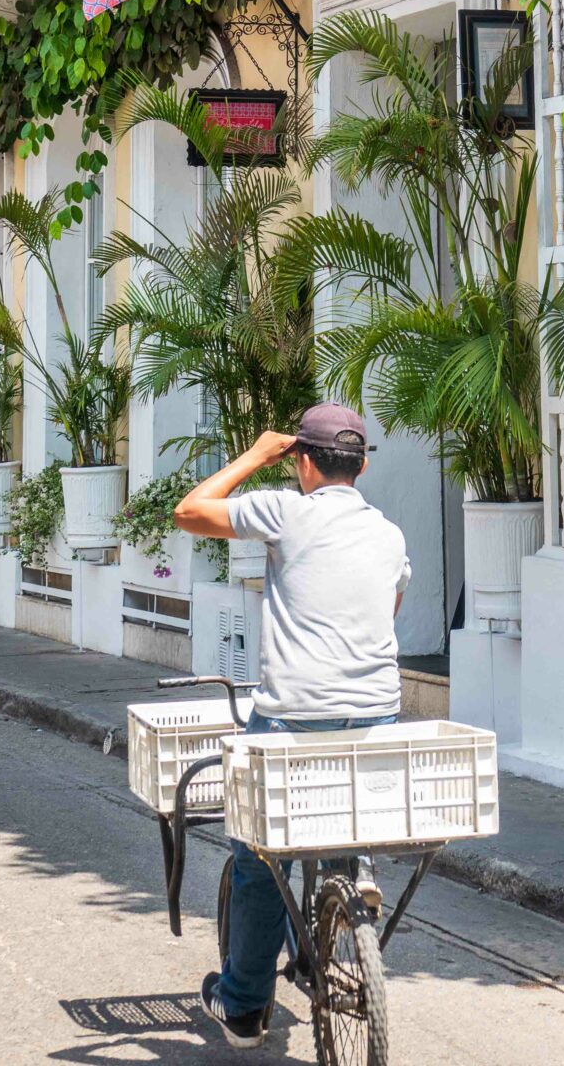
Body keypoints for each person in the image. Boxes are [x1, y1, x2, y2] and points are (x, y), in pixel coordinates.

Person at [173, 402, 411, 1051]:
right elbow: (388, 606)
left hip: (291, 713)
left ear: (302, 462)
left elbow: (190, 511)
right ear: (361, 466)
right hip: (375, 714)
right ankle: (355, 869)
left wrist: (256, 455)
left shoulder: (285, 511)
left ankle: (245, 1007)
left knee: (258, 851)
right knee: (344, 804)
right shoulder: (388, 534)